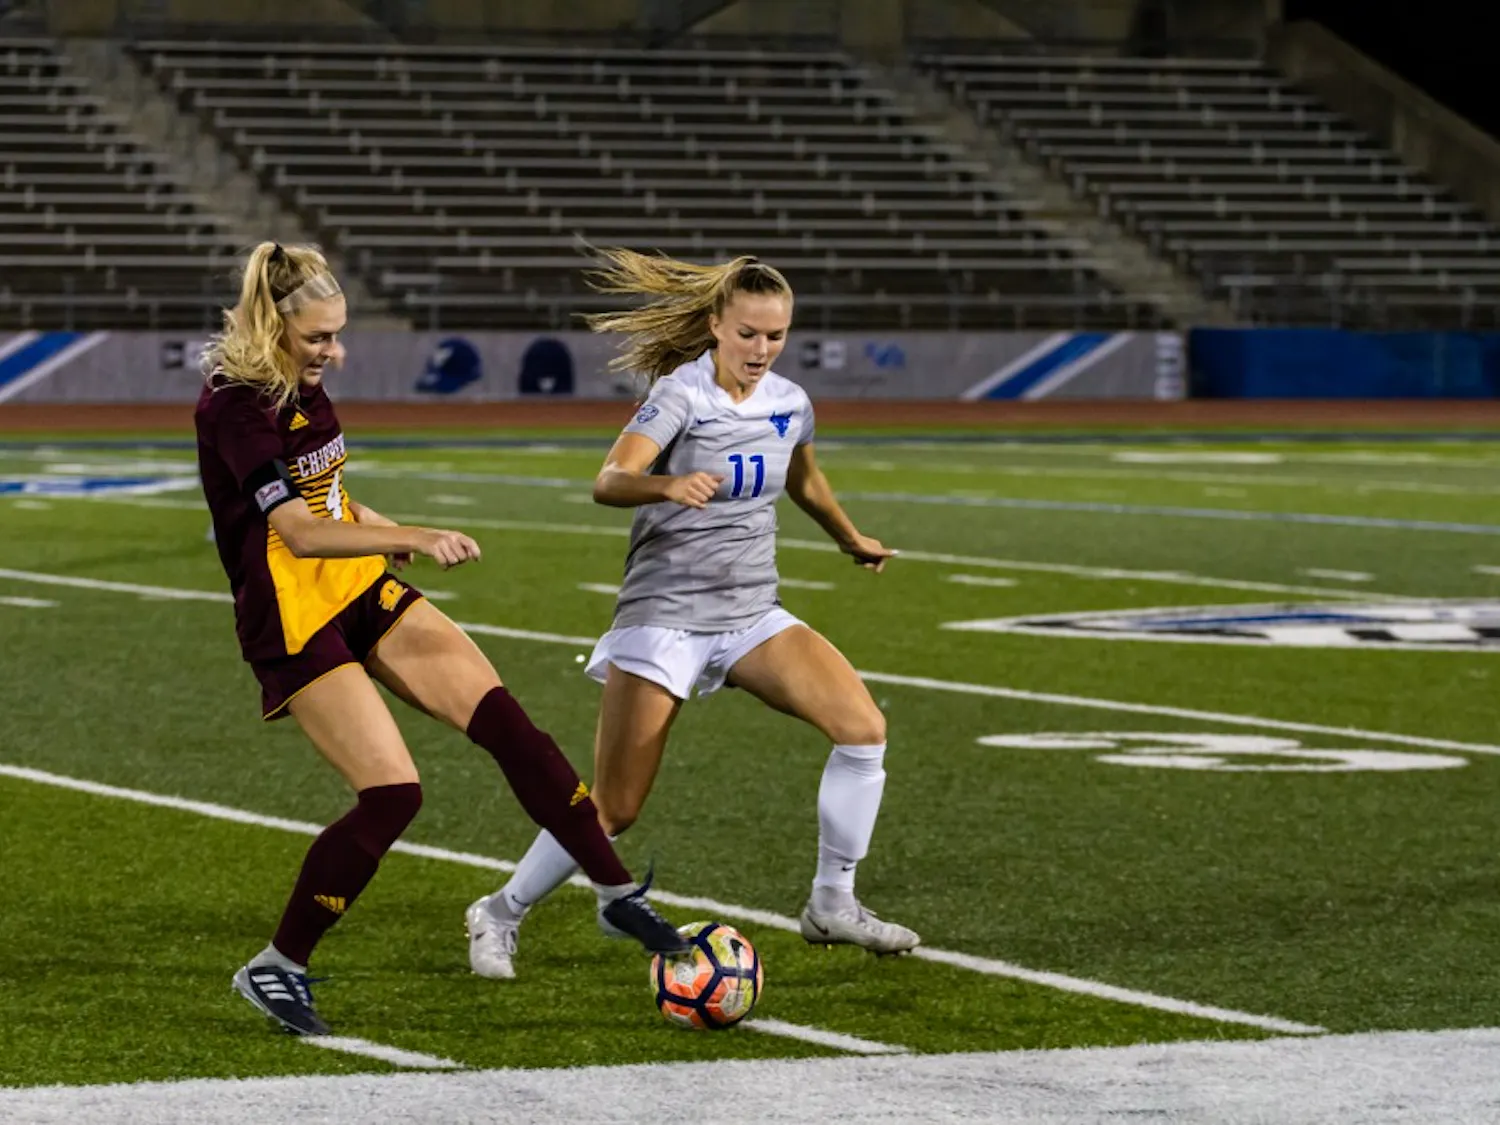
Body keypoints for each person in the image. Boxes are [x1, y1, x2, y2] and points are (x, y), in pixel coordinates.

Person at [194, 241, 688, 1037]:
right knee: (393, 794)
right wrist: (417, 536)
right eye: (318, 337)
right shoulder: (236, 404)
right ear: (271, 325)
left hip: (358, 588)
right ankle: (276, 965)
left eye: (338, 333)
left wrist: (383, 529)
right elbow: (296, 532)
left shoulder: (305, 386)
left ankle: (615, 894)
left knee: (510, 726)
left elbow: (331, 500)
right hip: (293, 616)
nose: (335, 350)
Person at [464, 248, 919, 981]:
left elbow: (803, 475)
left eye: (774, 336)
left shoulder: (790, 401)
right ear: (715, 325)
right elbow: (609, 480)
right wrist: (666, 486)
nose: (761, 350)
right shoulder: (681, 395)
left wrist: (848, 537)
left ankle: (832, 900)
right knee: (613, 806)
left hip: (749, 614)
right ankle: (498, 911)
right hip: (666, 617)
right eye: (747, 334)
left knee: (864, 729)